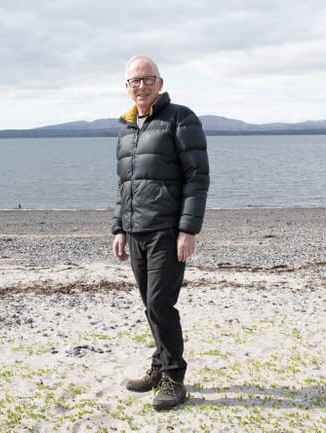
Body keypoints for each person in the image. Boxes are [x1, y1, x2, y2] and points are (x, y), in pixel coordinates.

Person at [112, 55, 210, 410]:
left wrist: (188, 229)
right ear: (127, 87)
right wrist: (119, 227)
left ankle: (174, 378)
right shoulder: (126, 128)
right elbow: (125, 185)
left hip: (167, 231)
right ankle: (158, 365)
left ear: (160, 82)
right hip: (135, 231)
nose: (141, 86)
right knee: (149, 304)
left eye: (147, 79)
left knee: (159, 303)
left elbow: (197, 178)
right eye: (134, 81)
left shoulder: (181, 118)